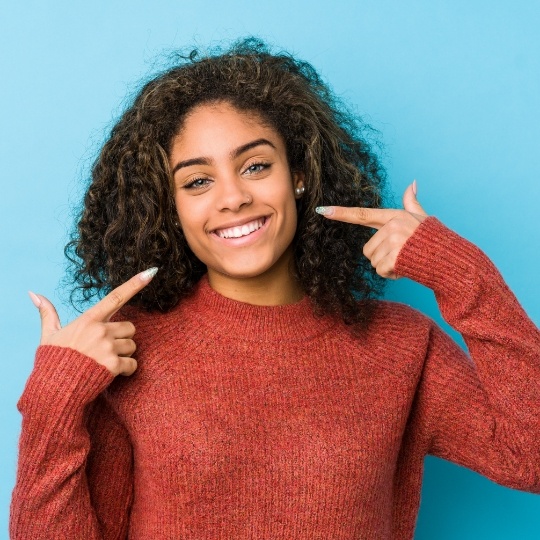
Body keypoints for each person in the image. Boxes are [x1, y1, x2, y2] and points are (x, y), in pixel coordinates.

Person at [10, 38, 540, 539]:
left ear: (300, 175)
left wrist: (463, 273)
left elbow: (529, 457)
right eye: (198, 181)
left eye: (256, 166)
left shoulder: (403, 346)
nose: (233, 197)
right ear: (167, 207)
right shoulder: (128, 352)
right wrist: (54, 403)